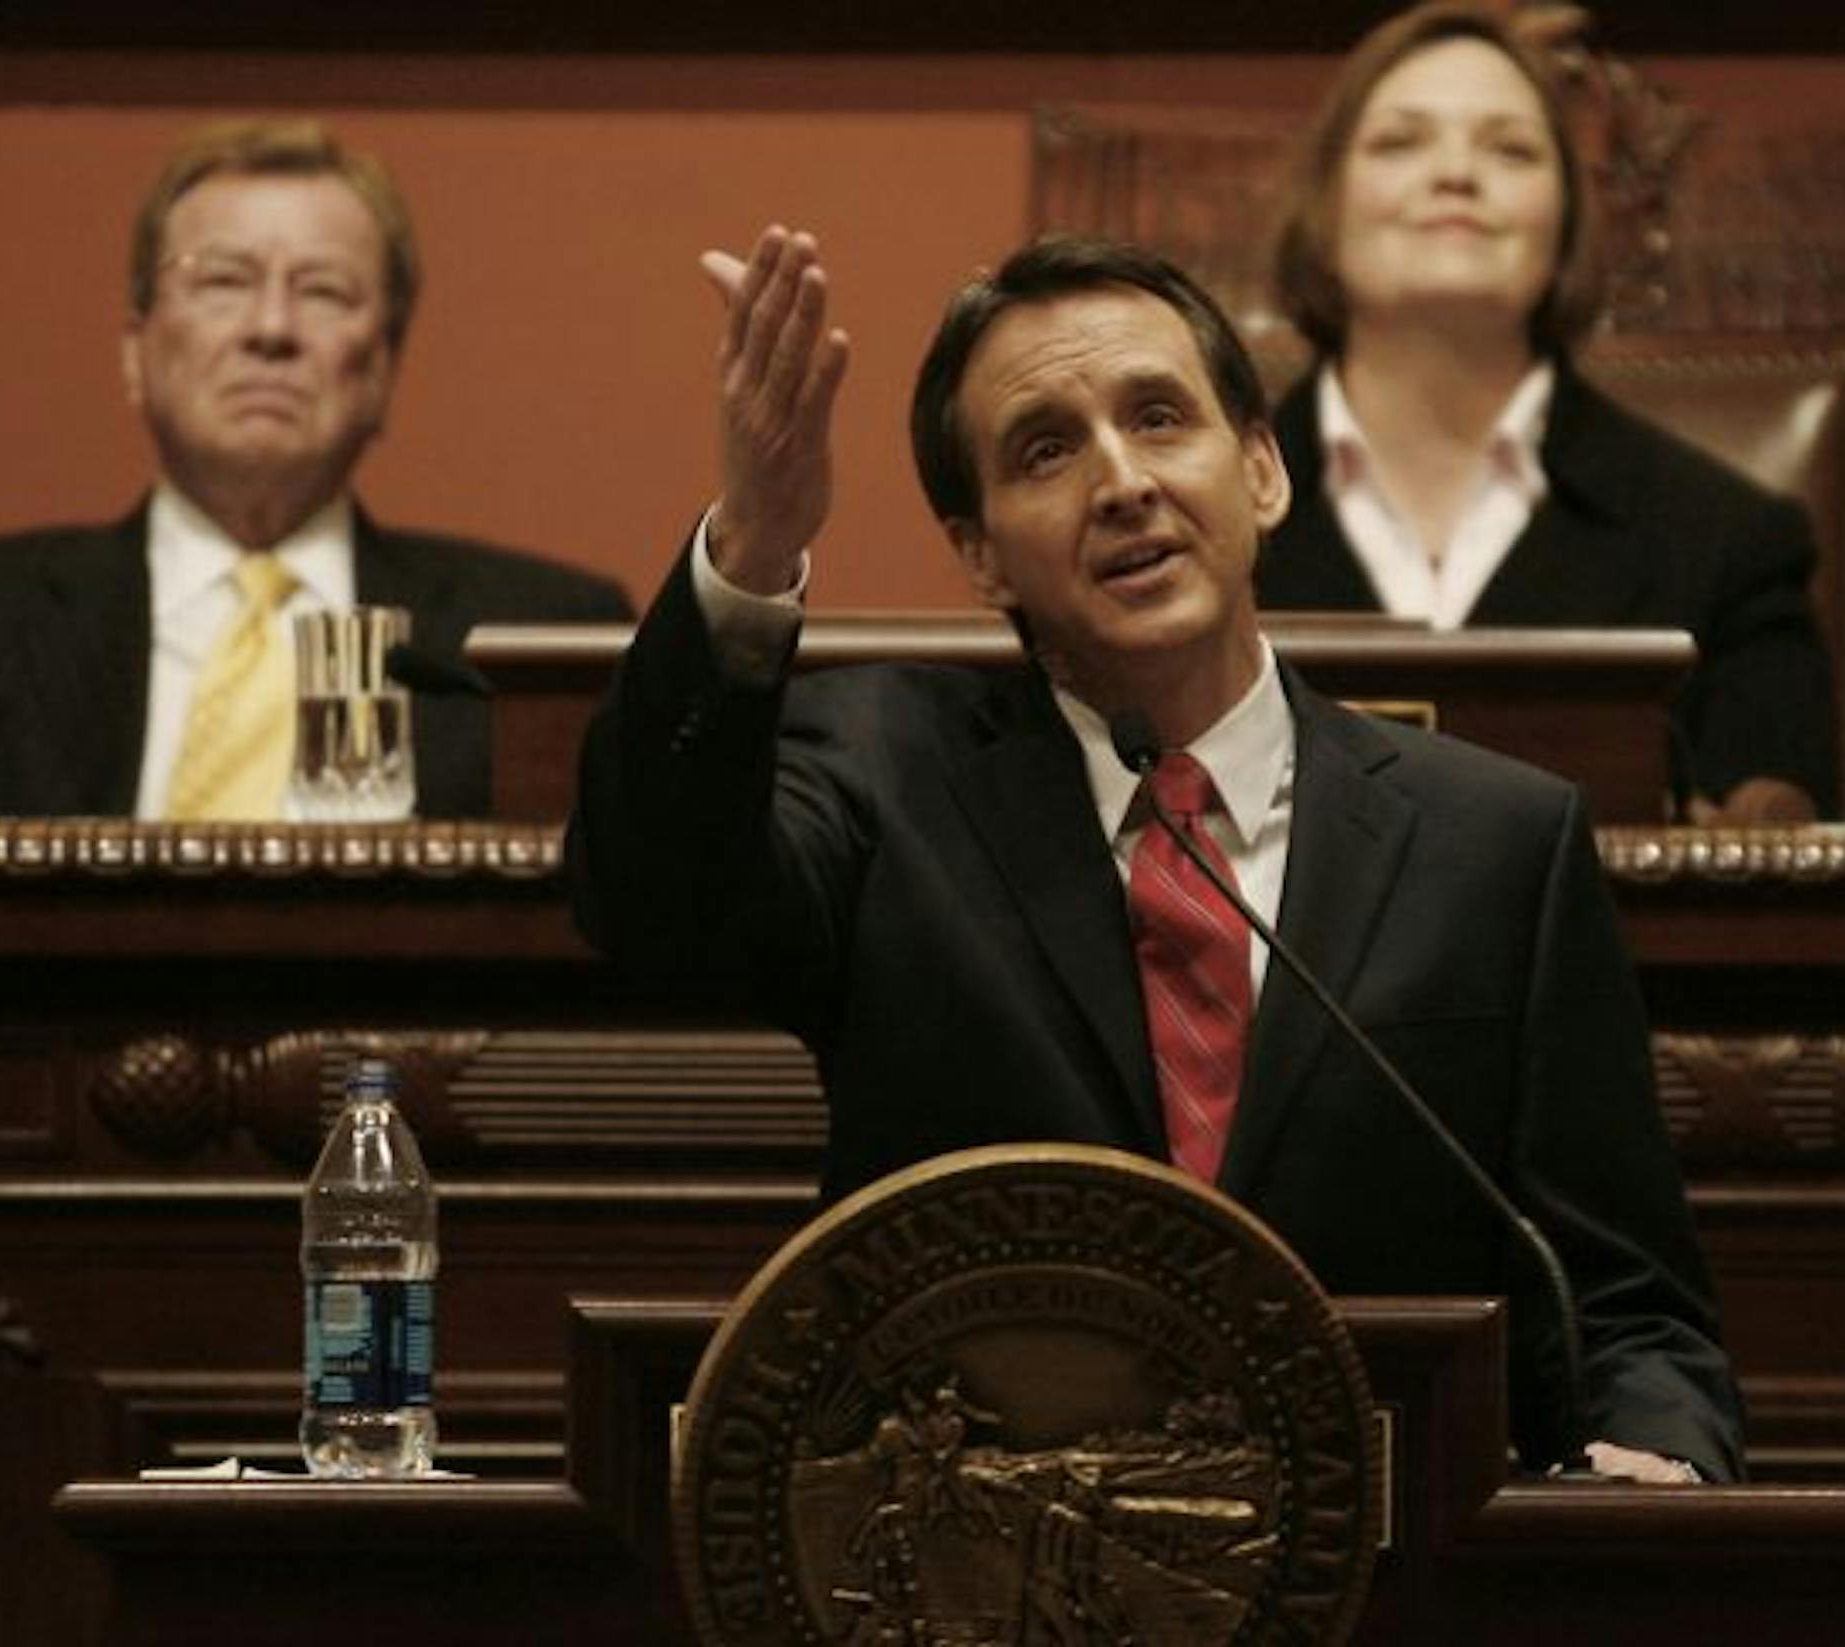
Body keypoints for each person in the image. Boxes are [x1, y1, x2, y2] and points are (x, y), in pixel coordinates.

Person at [567, 224, 1743, 1484]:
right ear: (978, 555)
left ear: (1262, 471)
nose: (1122, 481)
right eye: (1047, 449)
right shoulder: (880, 775)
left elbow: (1626, 1305)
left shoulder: (1496, 844)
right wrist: (752, 545)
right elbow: (649, 902)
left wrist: (1654, 1465)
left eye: (1160, 418)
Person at [0, 119, 629, 820]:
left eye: (326, 291)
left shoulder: (543, 635)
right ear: (137, 350)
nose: (272, 328)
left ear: (383, 370)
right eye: (224, 282)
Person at [1257, 2, 1838, 823]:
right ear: (1322, 209)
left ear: (1568, 222)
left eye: (1510, 149)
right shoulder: (1184, 528)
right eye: (1401, 141)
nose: (1455, 173)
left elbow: (1782, 883)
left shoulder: (1732, 546)